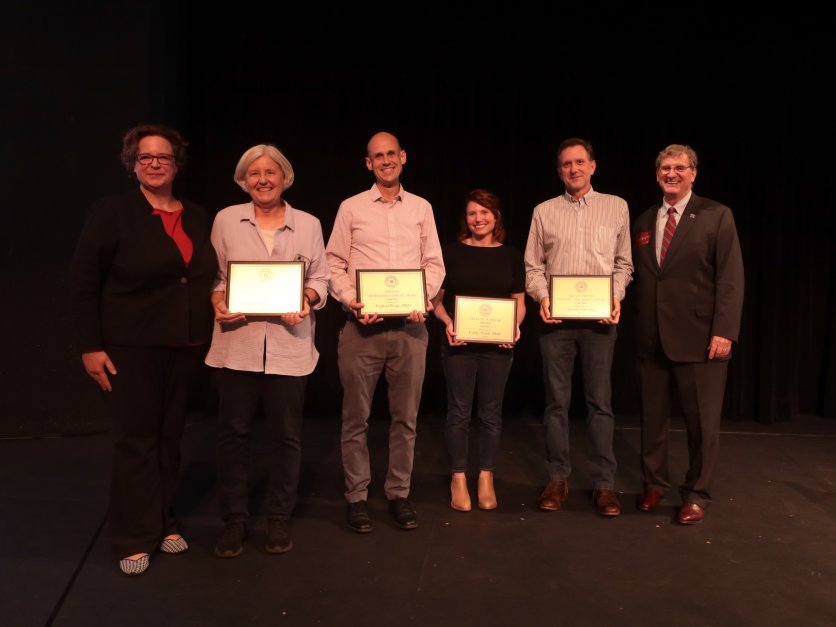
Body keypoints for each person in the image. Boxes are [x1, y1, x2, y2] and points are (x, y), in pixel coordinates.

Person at [70, 124, 216, 576]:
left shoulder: (196, 214)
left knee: (170, 440)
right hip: (130, 346)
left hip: (185, 345)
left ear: (177, 164)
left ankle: (164, 521)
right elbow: (83, 283)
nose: (155, 164)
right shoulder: (111, 212)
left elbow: (204, 277)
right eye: (146, 157)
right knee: (136, 441)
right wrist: (89, 347)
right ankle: (134, 535)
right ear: (133, 165)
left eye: (164, 157)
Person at [206, 144, 329, 556]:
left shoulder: (309, 223)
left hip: (289, 346)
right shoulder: (225, 220)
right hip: (236, 345)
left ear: (285, 178)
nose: (262, 179)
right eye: (254, 173)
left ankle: (278, 519)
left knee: (286, 437)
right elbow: (217, 279)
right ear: (244, 180)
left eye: (270, 172)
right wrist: (218, 302)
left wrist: (307, 300)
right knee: (233, 435)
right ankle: (234, 520)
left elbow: (322, 280)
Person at [326, 131, 444, 533]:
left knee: (405, 419)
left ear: (403, 157)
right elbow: (333, 264)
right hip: (362, 329)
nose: (385, 160)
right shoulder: (351, 208)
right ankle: (357, 498)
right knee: (354, 418)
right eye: (378, 156)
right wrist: (350, 300)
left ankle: (398, 493)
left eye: (391, 153)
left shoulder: (422, 208)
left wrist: (422, 298)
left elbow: (434, 265)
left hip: (410, 330)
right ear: (368, 163)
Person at [632, 144, 744, 524]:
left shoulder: (716, 215)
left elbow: (730, 279)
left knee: (702, 424)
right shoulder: (646, 220)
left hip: (700, 338)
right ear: (657, 173)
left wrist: (724, 331)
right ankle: (654, 484)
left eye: (680, 167)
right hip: (652, 336)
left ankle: (696, 493)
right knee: (652, 419)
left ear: (694, 173)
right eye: (665, 167)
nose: (672, 173)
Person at [524, 137, 633, 517]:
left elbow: (624, 264)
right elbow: (533, 267)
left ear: (593, 166)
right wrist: (543, 297)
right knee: (557, 403)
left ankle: (604, 484)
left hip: (600, 323)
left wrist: (615, 297)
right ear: (559, 171)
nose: (573, 169)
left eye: (580, 162)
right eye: (566, 164)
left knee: (600, 403)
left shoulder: (616, 207)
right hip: (557, 323)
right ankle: (558, 478)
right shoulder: (543, 211)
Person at [431, 189, 525, 511]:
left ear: (495, 216)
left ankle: (486, 475)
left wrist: (514, 326)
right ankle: (458, 477)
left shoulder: (512, 255)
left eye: (484, 212)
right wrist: (447, 322)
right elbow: (435, 301)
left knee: (490, 414)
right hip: (460, 343)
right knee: (458, 412)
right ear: (465, 219)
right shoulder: (451, 252)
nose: (478, 219)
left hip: (497, 346)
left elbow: (519, 302)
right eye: (472, 213)